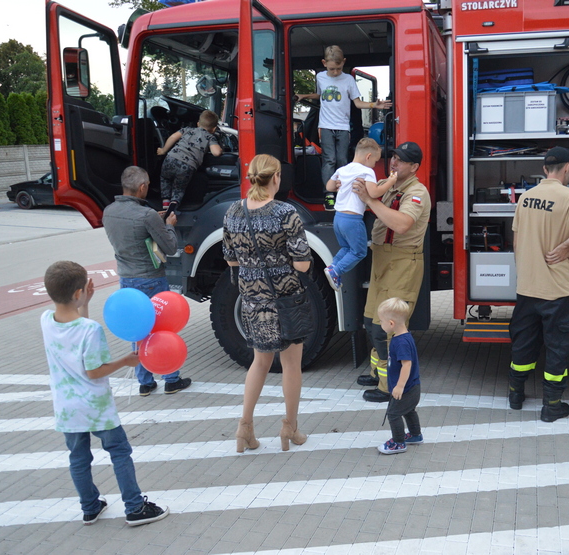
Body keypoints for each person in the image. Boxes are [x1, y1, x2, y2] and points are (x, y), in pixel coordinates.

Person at [40, 260, 170, 527]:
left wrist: (84, 304)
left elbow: (75, 332)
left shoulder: (46, 320)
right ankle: (134, 507)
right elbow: (95, 371)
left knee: (78, 457)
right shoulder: (91, 330)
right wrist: (125, 361)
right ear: (78, 292)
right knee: (119, 451)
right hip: (96, 406)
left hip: (67, 408)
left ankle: (90, 507)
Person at [223, 154, 313, 452]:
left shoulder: (233, 211)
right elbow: (301, 264)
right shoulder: (286, 212)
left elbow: (230, 257)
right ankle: (290, 427)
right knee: (291, 365)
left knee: (259, 361)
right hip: (285, 299)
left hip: (251, 298)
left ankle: (244, 428)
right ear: (276, 178)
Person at [508, 146, 569, 422]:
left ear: (545, 169)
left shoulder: (526, 197)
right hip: (557, 291)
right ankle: (552, 405)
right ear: (568, 167)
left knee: (523, 343)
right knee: (557, 347)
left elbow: (516, 239)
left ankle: (516, 395)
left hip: (527, 287)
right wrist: (566, 245)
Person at [103, 166, 192, 396]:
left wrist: (155, 222)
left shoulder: (109, 211)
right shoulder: (147, 215)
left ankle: (145, 382)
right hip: (151, 280)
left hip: (126, 280)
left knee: (138, 330)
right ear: (142, 187)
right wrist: (168, 225)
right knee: (161, 328)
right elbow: (170, 247)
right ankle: (171, 378)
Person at [353, 141, 431, 402]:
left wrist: (368, 200)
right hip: (381, 261)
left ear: (415, 167)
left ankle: (390, 387)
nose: (394, 162)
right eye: (394, 157)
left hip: (401, 264)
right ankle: (378, 374)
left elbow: (402, 224)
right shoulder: (391, 185)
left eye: (401, 160)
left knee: (388, 327)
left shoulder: (417, 192)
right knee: (371, 322)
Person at [296, 45, 392, 185]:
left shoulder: (348, 80)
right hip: (326, 125)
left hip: (343, 126)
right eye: (331, 69)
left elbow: (357, 103)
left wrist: (374, 104)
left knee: (342, 159)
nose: (335, 72)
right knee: (329, 159)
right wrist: (303, 96)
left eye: (338, 68)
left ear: (344, 62)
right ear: (324, 63)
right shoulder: (320, 77)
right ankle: (328, 193)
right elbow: (320, 95)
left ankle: (342, 189)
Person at [323, 137, 396, 290]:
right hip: (352, 219)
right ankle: (336, 270)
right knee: (359, 251)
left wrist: (337, 185)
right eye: (375, 161)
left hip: (338, 218)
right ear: (368, 156)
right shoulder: (366, 171)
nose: (375, 165)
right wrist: (390, 182)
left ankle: (332, 267)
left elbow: (329, 186)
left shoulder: (342, 169)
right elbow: (374, 192)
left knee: (346, 248)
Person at [376, 297, 423, 455]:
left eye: (381, 321)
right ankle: (416, 435)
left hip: (407, 389)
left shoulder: (400, 342)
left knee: (394, 413)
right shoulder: (403, 336)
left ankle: (398, 442)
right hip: (412, 387)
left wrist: (400, 386)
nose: (380, 324)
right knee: (409, 410)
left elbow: (406, 364)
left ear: (391, 323)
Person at [156, 109, 224, 210]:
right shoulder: (210, 137)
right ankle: (173, 206)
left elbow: (173, 137)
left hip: (171, 158)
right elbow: (216, 152)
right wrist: (220, 149)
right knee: (179, 188)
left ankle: (165, 201)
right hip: (187, 166)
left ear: (198, 123)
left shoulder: (187, 129)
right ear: (214, 129)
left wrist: (163, 150)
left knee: (165, 179)